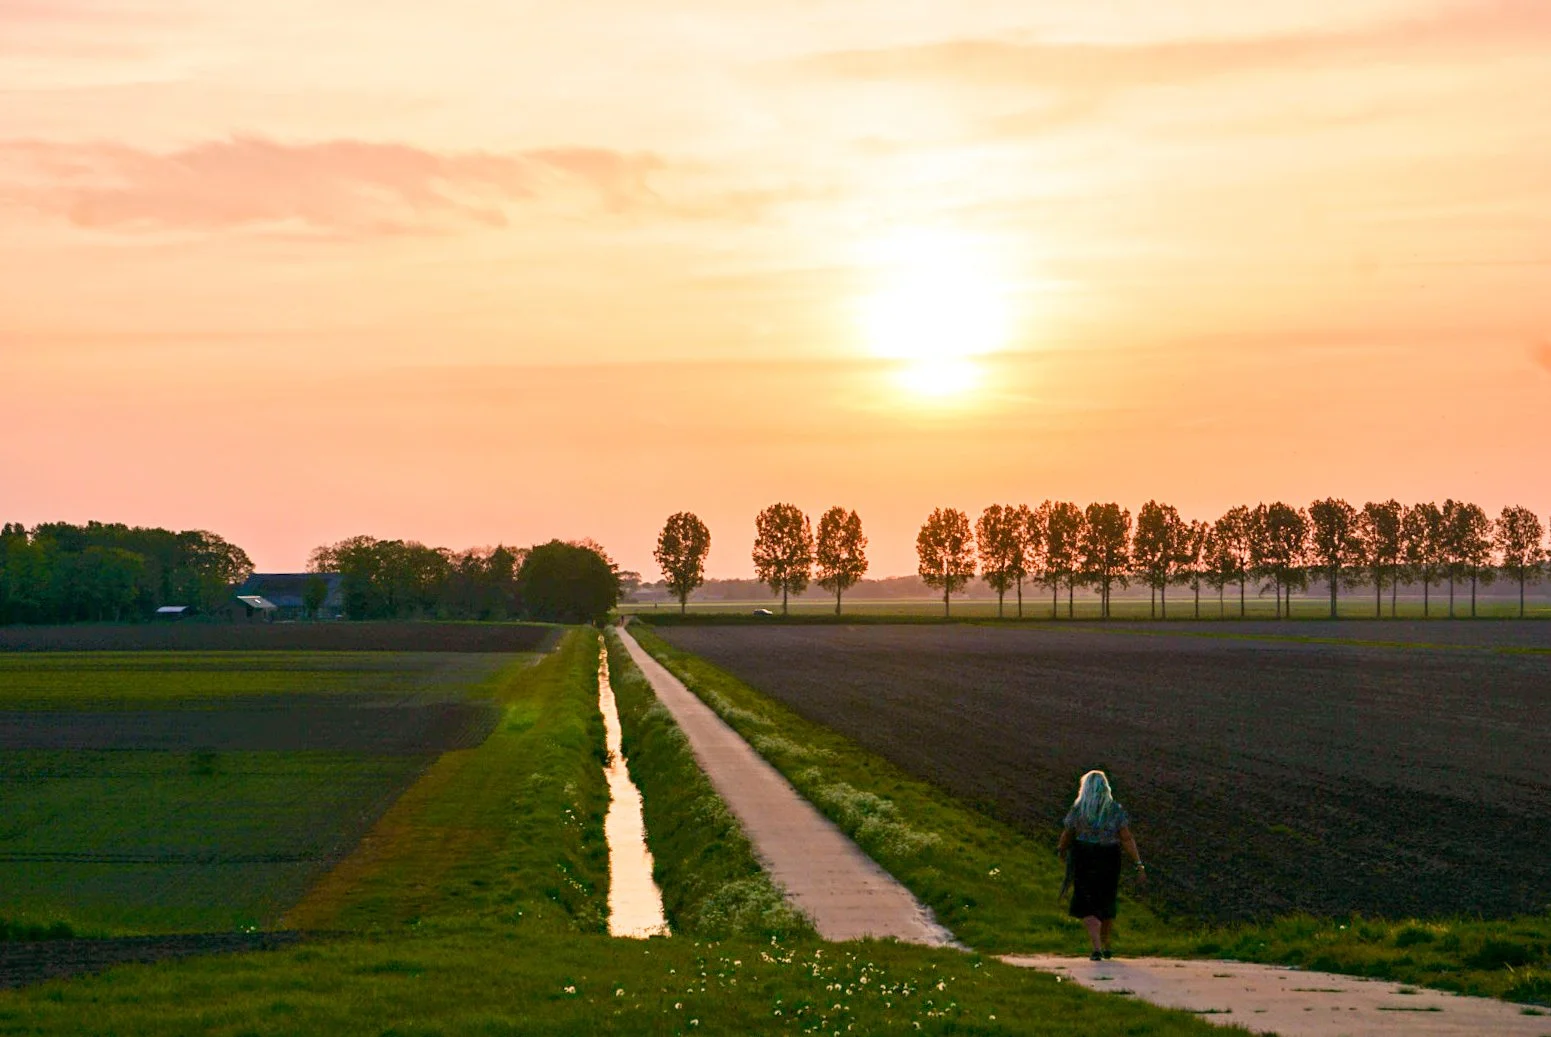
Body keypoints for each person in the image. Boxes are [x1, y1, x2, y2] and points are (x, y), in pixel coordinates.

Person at [1056, 769, 1145, 961]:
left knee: (1086, 902)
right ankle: (1106, 943)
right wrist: (1138, 862)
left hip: (1085, 856)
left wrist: (1061, 851)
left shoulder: (1079, 809)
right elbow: (1126, 837)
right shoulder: (1114, 810)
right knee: (1106, 899)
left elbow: (1067, 833)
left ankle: (1096, 946)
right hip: (1109, 857)